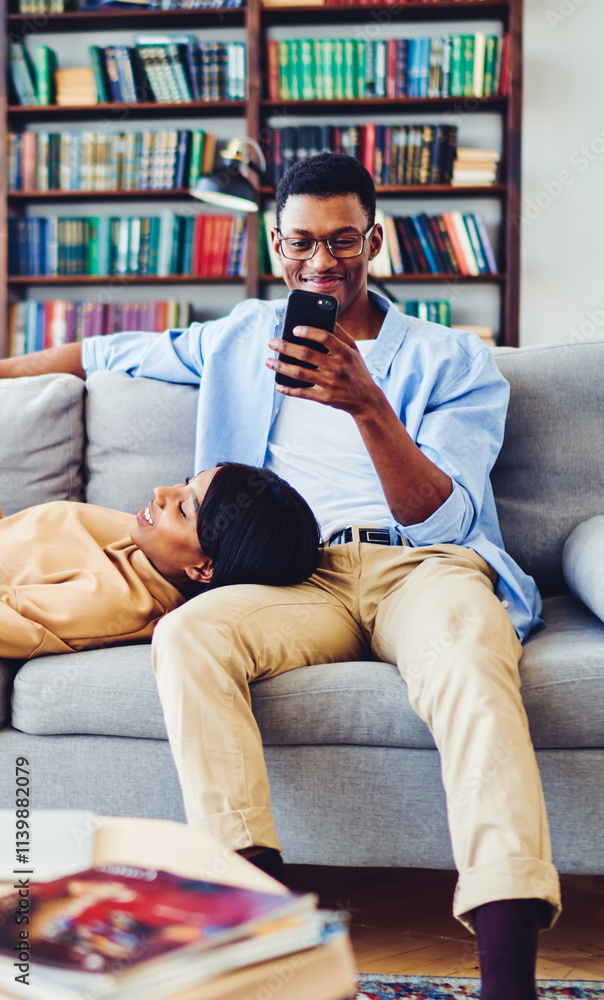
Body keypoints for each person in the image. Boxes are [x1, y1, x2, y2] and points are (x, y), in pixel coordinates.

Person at [0, 153, 561, 1000]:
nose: (321, 262)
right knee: (190, 634)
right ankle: (253, 927)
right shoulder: (240, 337)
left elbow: (444, 520)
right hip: (302, 576)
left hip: (422, 565)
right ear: (276, 244)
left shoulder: (453, 361)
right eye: (301, 243)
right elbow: (105, 352)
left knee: (472, 668)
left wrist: (366, 402)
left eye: (343, 241)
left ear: (375, 240)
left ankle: (508, 971)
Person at [0, 462, 321, 660]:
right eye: (185, 483)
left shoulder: (111, 605)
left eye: (183, 509)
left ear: (205, 568)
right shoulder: (146, 542)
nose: (161, 491)